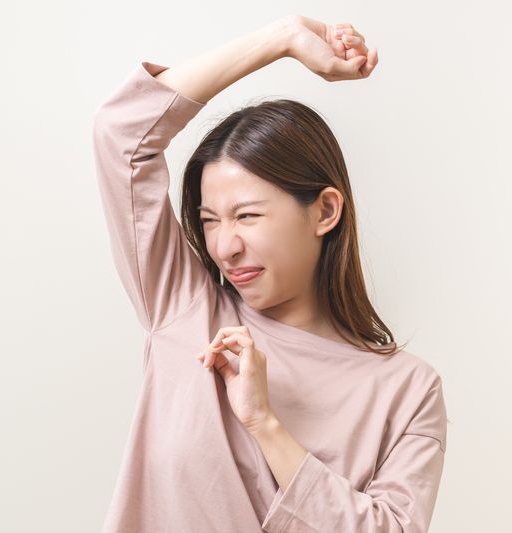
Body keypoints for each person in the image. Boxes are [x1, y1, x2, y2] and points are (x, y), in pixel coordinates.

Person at [92, 14, 448, 533]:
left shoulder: (407, 390)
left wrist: (266, 424)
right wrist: (280, 39)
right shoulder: (185, 308)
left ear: (324, 212)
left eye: (247, 216)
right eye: (210, 221)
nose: (224, 246)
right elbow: (121, 133)